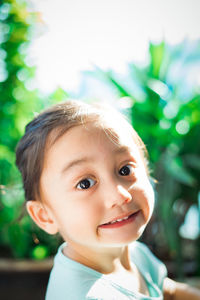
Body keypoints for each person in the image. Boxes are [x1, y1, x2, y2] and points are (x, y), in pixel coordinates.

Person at [16, 100, 200, 300]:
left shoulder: (134, 253)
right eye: (85, 183)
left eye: (125, 170)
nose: (120, 195)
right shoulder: (84, 295)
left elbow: (168, 291)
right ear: (45, 216)